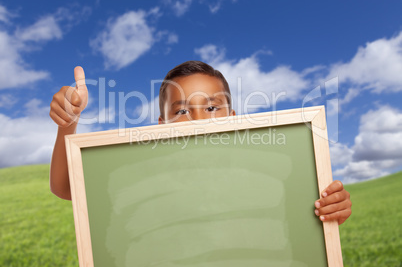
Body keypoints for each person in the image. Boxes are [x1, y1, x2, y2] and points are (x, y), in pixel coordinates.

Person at [49, 61, 352, 225]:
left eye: (210, 108)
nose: (196, 119)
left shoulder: (267, 176)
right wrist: (68, 122)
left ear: (232, 116)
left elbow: (302, 215)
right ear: (161, 124)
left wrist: (331, 208)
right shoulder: (145, 174)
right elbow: (65, 187)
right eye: (180, 111)